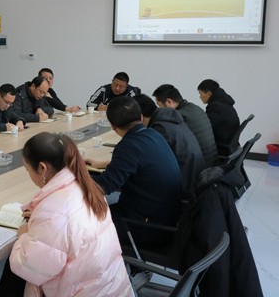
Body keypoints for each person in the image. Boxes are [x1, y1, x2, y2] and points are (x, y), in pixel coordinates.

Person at [0, 132, 133, 297]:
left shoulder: (55, 211)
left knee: (14, 269)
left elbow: (29, 267)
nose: (29, 175)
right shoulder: (86, 186)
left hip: (84, 291)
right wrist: (41, 219)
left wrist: (24, 235)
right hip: (111, 287)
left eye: (27, 169)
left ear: (42, 168)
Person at [86, 96, 182, 246]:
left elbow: (103, 187)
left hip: (145, 227)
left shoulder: (128, 146)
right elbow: (138, 165)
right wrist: (100, 165)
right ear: (141, 117)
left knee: (82, 221)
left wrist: (74, 176)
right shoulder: (153, 134)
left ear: (113, 126)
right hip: (167, 218)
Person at [134, 94, 205, 198]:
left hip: (182, 188)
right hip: (192, 179)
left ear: (140, 117)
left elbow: (151, 163)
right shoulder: (169, 119)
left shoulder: (159, 128)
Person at [153, 84, 218, 168]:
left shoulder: (178, 117)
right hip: (213, 162)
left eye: (159, 105)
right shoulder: (195, 107)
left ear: (169, 102)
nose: (159, 109)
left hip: (200, 167)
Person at [197, 79, 240, 155]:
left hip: (221, 146)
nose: (200, 97)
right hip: (228, 142)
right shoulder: (223, 103)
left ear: (209, 94)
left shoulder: (217, 107)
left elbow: (205, 126)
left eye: (200, 93)